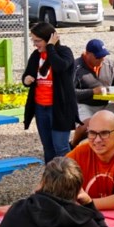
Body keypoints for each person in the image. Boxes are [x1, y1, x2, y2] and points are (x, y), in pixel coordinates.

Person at [23, 23, 78, 163]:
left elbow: (60, 67)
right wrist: (26, 80)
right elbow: (27, 74)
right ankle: (51, 180)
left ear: (48, 39)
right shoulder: (36, 56)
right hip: (41, 107)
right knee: (48, 148)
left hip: (59, 108)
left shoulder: (64, 52)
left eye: (38, 40)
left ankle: (69, 180)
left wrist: (51, 48)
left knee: (61, 147)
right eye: (33, 40)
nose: (35, 44)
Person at [71, 39, 114, 149]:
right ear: (87, 54)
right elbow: (69, 92)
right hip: (83, 104)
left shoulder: (108, 63)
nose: (102, 59)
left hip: (104, 104)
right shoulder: (75, 67)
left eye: (103, 56)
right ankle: (73, 145)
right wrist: (91, 92)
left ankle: (109, 145)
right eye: (98, 57)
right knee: (87, 125)